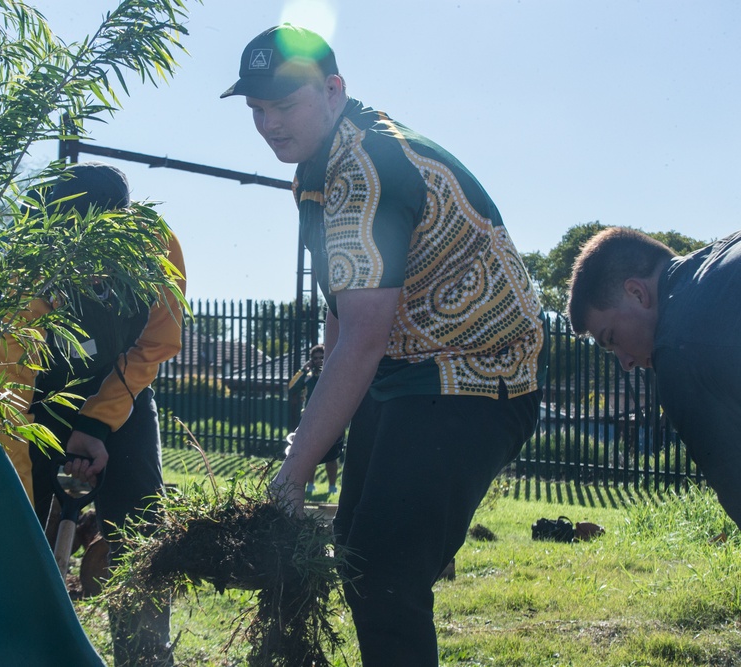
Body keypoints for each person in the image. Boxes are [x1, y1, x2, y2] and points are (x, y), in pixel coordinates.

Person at [221, 25, 546, 666]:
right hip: (406, 369)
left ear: (333, 90)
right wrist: (314, 438)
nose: (268, 124)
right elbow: (343, 310)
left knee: (385, 567)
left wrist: (291, 476)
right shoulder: (318, 169)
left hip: (479, 375)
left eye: (283, 105)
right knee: (357, 546)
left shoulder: (365, 169)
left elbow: (363, 340)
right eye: (257, 109)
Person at [0, 162, 186, 667]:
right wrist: (22, 514)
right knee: (8, 532)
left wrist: (96, 422)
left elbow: (158, 341)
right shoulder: (22, 268)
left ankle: (145, 658)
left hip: (121, 386)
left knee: (139, 526)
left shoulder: (154, 244)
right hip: (28, 400)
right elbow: (11, 402)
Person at [567, 226, 741, 526]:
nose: (625, 362)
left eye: (612, 338)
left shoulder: (676, 350)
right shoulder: (726, 254)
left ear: (637, 293)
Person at [286, 343, 342, 495]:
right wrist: (304, 369)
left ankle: (332, 487)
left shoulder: (333, 373)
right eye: (315, 358)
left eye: (321, 357)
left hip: (331, 419)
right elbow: (291, 388)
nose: (318, 360)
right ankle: (310, 485)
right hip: (310, 419)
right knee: (309, 453)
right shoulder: (308, 377)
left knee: (331, 454)